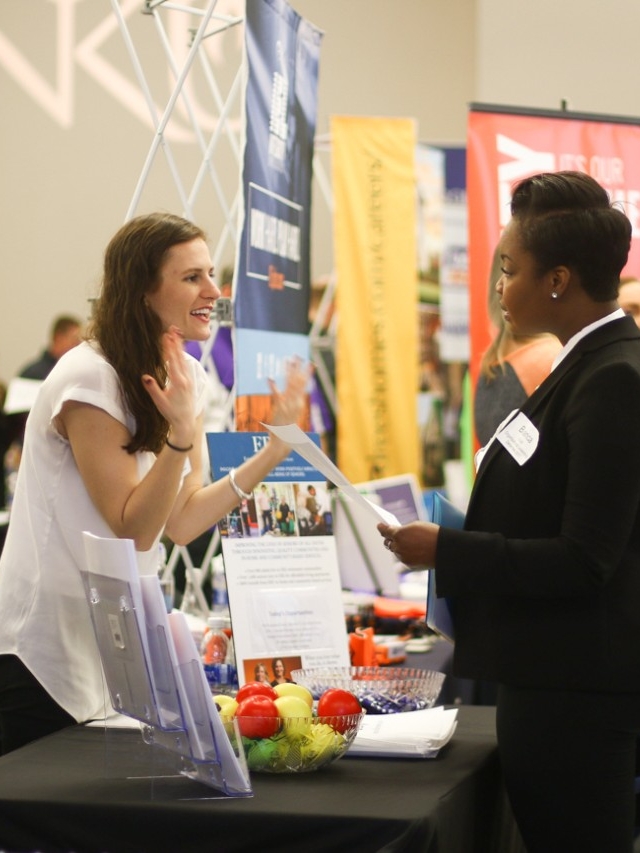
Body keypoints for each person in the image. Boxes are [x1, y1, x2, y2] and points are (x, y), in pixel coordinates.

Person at [378, 171, 640, 853]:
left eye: (508, 269)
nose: (498, 286)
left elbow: (586, 558)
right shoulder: (578, 367)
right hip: (549, 680)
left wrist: (449, 549)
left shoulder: (613, 378)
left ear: (557, 280)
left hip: (577, 691)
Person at [0, 212, 308, 756]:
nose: (214, 291)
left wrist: (274, 453)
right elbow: (133, 529)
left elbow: (183, 521)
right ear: (143, 289)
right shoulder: (89, 377)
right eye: (193, 277)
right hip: (40, 657)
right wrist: (182, 435)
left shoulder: (185, 374)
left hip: (105, 650)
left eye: (211, 274)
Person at [18, 314, 83, 380]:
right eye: (74, 340)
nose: (78, 346)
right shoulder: (31, 374)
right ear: (58, 338)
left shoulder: (75, 372)